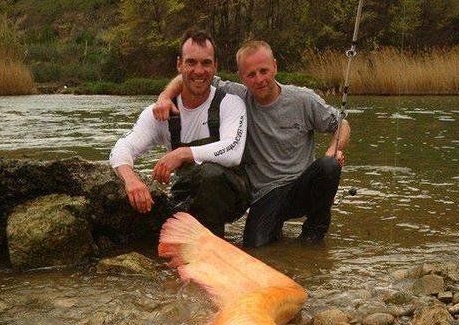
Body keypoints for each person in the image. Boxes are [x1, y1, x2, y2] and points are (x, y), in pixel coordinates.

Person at [154, 39, 350, 247]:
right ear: (242, 77)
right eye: (251, 74)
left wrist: (333, 150)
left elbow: (342, 124)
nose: (259, 79)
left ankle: (314, 232)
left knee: (328, 166)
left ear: (275, 66)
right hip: (265, 195)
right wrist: (165, 97)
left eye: (264, 71)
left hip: (301, 186)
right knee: (255, 249)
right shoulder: (237, 96)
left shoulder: (303, 99)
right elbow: (193, 75)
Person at [110, 29, 250, 236]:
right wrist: (131, 180)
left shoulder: (230, 103)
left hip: (231, 198)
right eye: (191, 62)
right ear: (179, 64)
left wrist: (182, 153)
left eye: (206, 63)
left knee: (210, 174)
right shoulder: (160, 111)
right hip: (186, 195)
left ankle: (212, 245)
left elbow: (233, 151)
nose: (199, 71)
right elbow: (122, 148)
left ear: (215, 66)